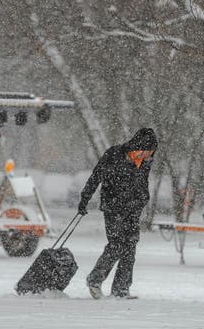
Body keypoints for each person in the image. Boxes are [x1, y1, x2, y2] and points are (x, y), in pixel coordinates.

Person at [77, 128, 158, 300]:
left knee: (130, 246)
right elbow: (95, 176)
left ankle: (121, 289)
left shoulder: (145, 162)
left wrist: (144, 198)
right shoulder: (114, 154)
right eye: (148, 152)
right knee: (117, 244)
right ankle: (95, 280)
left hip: (133, 208)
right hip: (113, 207)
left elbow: (143, 182)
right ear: (139, 146)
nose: (149, 156)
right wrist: (85, 198)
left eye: (151, 153)